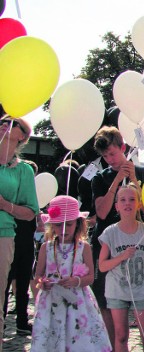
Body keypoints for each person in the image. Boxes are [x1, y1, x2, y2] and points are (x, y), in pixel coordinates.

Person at [91, 126, 144, 344]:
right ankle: (112, 345)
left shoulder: (143, 173)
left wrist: (134, 180)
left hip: (137, 246)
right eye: (105, 156)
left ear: (123, 148)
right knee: (107, 302)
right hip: (108, 246)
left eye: (113, 154)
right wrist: (116, 181)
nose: (109, 159)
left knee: (143, 301)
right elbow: (102, 212)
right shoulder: (99, 178)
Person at [31, 195, 111, 351]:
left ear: (77, 224)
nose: (63, 229)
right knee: (52, 338)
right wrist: (43, 283)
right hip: (52, 302)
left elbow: (89, 278)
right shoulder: (45, 248)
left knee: (78, 339)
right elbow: (38, 275)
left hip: (78, 302)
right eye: (58, 225)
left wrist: (77, 281)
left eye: (68, 225)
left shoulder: (83, 247)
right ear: (52, 225)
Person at [98, 183, 144, 352]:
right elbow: (102, 266)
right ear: (117, 206)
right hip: (116, 292)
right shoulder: (110, 233)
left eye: (132, 199)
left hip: (140, 291)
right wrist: (121, 256)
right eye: (123, 200)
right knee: (121, 336)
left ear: (138, 204)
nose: (127, 203)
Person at [0, 117, 38, 348]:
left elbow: (30, 212)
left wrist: (5, 205)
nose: (5, 123)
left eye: (13, 123)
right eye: (4, 120)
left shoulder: (23, 170)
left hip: (3, 234)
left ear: (22, 136)